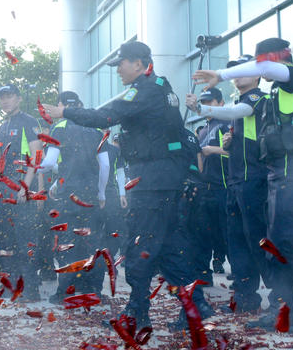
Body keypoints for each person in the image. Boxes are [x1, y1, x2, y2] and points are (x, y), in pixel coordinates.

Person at [44, 41, 215, 329]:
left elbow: (106, 117)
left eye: (121, 64)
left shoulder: (145, 89)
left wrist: (65, 113)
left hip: (152, 180)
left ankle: (136, 315)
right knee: (170, 248)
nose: (118, 71)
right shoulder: (160, 87)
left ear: (138, 63)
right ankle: (195, 305)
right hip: (164, 179)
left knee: (139, 246)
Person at [194, 38, 293, 333]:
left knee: (286, 241)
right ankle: (285, 314)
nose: (260, 69)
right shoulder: (276, 92)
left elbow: (268, 68)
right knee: (276, 245)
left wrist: (222, 75)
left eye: (260, 62)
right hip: (280, 175)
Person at [186, 55, 273, 313]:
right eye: (233, 71)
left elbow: (239, 112)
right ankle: (246, 300)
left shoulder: (258, 98)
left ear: (257, 75)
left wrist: (202, 110)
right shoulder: (235, 107)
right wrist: (229, 143)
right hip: (236, 183)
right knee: (237, 244)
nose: (238, 75)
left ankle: (282, 297)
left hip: (254, 181)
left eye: (243, 70)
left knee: (258, 242)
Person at [42, 91, 108, 303]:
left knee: (68, 243)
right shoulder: (96, 130)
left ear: (61, 106)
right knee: (92, 242)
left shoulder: (59, 128)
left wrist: (43, 171)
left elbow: (50, 162)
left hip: (68, 196)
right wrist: (101, 192)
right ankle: (94, 289)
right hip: (90, 195)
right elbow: (105, 165)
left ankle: (65, 291)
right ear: (79, 105)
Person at [0, 84, 45, 302]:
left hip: (22, 189)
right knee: (7, 242)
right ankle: (12, 286)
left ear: (19, 99)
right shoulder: (3, 126)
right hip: (4, 191)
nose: (5, 101)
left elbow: (37, 155)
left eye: (9, 96)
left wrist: (26, 185)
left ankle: (31, 290)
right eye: (2, 97)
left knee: (26, 241)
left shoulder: (29, 122)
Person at [189, 87, 230, 281]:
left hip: (223, 186)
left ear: (221, 103)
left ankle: (240, 275)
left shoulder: (226, 125)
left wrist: (212, 149)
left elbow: (234, 153)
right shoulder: (203, 129)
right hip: (205, 188)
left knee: (228, 232)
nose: (207, 106)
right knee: (204, 233)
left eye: (211, 102)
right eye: (204, 102)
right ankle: (203, 274)